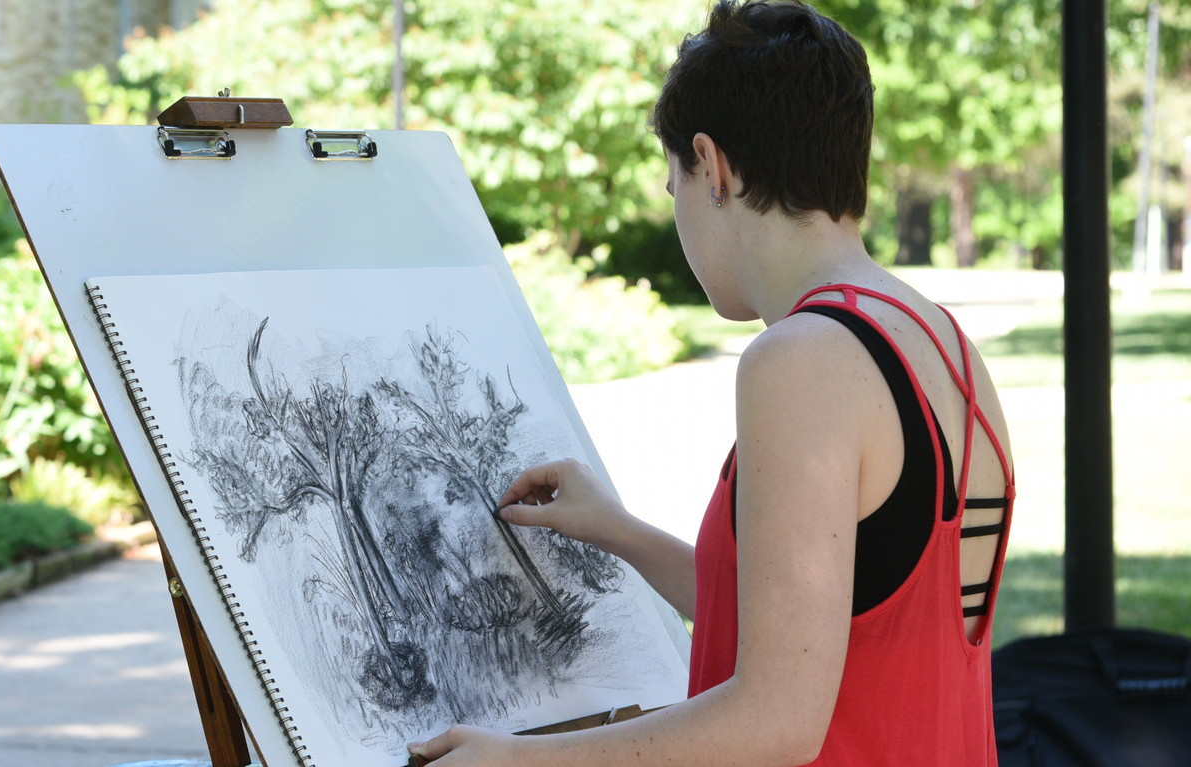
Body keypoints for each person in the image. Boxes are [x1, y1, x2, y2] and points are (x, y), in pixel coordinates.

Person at [409, 2, 1015, 765]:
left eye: (674, 186)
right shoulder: (940, 340)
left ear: (713, 165)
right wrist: (621, 532)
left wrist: (522, 758)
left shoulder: (802, 359)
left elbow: (778, 718)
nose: (679, 213)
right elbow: (825, 626)